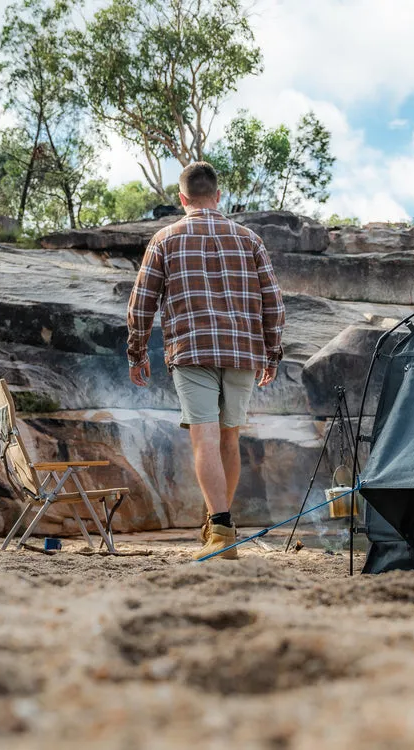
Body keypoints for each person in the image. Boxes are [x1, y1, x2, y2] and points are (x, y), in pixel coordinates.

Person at [126, 162, 285, 560]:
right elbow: (274, 302)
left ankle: (219, 529)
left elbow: (141, 302)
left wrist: (137, 350)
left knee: (205, 437)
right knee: (229, 437)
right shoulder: (249, 239)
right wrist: (272, 350)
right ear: (218, 196)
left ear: (182, 199)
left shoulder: (165, 239)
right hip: (242, 351)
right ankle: (221, 525)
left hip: (192, 351)